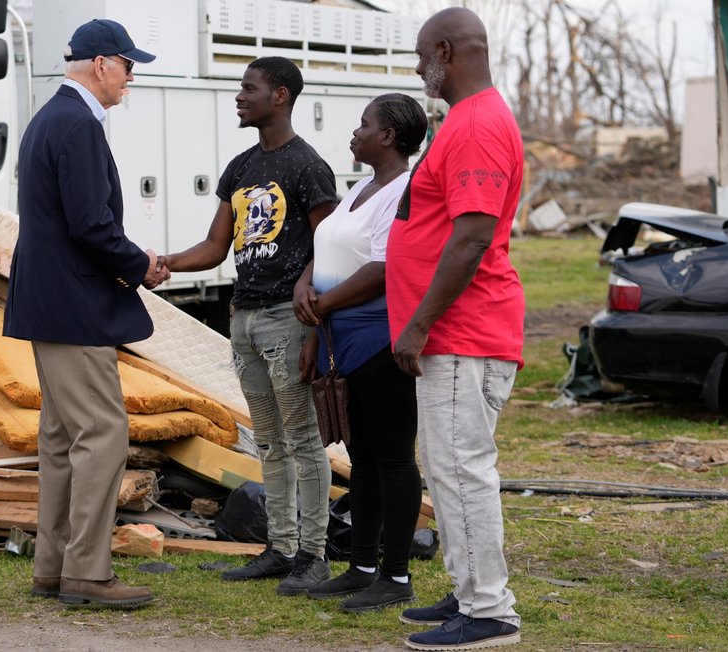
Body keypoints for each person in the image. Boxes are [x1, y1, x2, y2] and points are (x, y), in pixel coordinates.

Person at [3, 18, 169, 610]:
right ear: (101, 63)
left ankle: (52, 566)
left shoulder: (52, 116)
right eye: (128, 66)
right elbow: (90, 224)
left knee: (60, 437)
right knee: (101, 434)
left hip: (48, 302)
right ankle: (87, 573)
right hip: (74, 305)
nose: (130, 79)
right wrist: (141, 264)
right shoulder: (77, 123)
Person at [159, 57, 338, 596]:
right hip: (245, 319)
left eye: (249, 88)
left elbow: (327, 246)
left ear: (279, 95)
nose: (239, 96)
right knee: (269, 440)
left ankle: (314, 555)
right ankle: (280, 549)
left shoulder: (308, 166)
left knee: (303, 438)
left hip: (287, 319)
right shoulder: (239, 168)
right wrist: (162, 263)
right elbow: (216, 246)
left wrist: (308, 302)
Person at [386, 7, 524, 650]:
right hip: (458, 332)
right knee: (448, 470)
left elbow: (470, 239)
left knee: (461, 470)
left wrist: (417, 326)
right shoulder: (469, 120)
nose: (417, 69)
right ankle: (469, 586)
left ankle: (489, 611)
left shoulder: (475, 125)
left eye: (420, 55)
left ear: (445, 50)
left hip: (462, 332)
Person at [291, 94, 427, 612]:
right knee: (363, 458)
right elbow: (325, 246)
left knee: (393, 457)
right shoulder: (359, 189)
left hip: (379, 338)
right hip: (339, 338)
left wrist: (321, 304)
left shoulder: (403, 191)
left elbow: (384, 268)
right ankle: (362, 567)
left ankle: (396, 576)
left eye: (364, 125)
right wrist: (307, 290)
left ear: (389, 136)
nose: (355, 132)